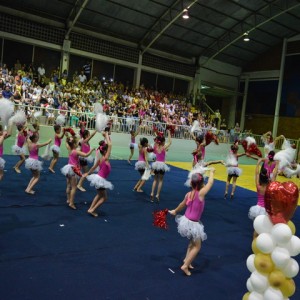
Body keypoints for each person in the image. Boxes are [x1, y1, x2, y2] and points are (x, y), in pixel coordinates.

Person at [169, 168, 215, 276]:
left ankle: (187, 261)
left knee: (191, 243)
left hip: (185, 221)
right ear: (202, 183)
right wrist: (212, 172)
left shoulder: (188, 194)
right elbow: (211, 182)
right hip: (193, 224)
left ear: (191, 183)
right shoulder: (201, 193)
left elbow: (182, 204)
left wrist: (175, 211)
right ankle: (185, 266)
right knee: (197, 246)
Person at [82, 131, 113, 217]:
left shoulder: (100, 159)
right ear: (106, 151)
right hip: (100, 179)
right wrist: (106, 134)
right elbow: (110, 145)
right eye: (108, 151)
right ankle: (92, 210)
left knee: (99, 195)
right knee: (104, 198)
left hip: (97, 178)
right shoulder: (105, 159)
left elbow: (93, 168)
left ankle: (90, 209)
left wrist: (87, 174)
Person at [61, 135, 94, 210]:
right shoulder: (76, 151)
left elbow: (66, 142)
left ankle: (68, 199)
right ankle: (71, 203)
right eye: (76, 143)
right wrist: (91, 150)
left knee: (68, 185)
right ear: (74, 144)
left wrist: (68, 138)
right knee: (74, 187)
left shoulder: (69, 149)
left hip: (68, 168)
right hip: (73, 169)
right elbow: (86, 155)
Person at [248, 160, 270, 239]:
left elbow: (256, 174)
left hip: (257, 209)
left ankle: (254, 242)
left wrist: (257, 163)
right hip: (265, 210)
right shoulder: (269, 187)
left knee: (256, 227)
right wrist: (277, 165)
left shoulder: (258, 186)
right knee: (263, 228)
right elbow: (274, 176)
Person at [150, 130, 171, 202]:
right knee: (161, 180)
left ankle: (152, 193)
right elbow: (170, 142)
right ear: (163, 142)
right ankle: (157, 194)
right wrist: (169, 133)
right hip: (162, 165)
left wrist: (158, 136)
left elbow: (156, 141)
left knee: (155, 180)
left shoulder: (155, 147)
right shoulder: (164, 147)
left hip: (156, 164)